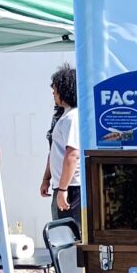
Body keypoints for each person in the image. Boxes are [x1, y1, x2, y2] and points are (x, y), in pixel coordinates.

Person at [41, 64, 80, 224]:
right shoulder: (64, 116)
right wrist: (46, 178)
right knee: (61, 234)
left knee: (70, 236)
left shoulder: (73, 117)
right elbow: (54, 151)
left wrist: (63, 189)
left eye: (56, 89)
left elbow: (72, 155)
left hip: (72, 187)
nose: (53, 92)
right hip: (62, 185)